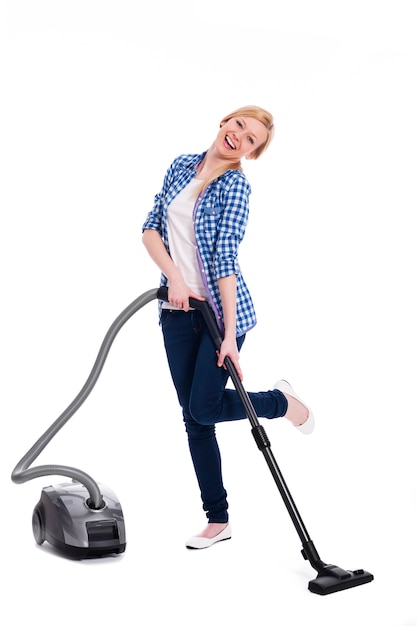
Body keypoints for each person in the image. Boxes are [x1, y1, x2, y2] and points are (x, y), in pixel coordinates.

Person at [142, 105, 314, 550]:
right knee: (195, 418)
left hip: (219, 316)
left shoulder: (235, 187)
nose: (240, 136)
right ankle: (218, 520)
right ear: (224, 122)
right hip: (175, 311)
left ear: (252, 153)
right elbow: (150, 230)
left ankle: (280, 402)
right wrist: (174, 278)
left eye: (251, 138)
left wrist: (232, 335)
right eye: (238, 124)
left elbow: (224, 261)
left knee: (203, 407)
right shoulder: (181, 165)